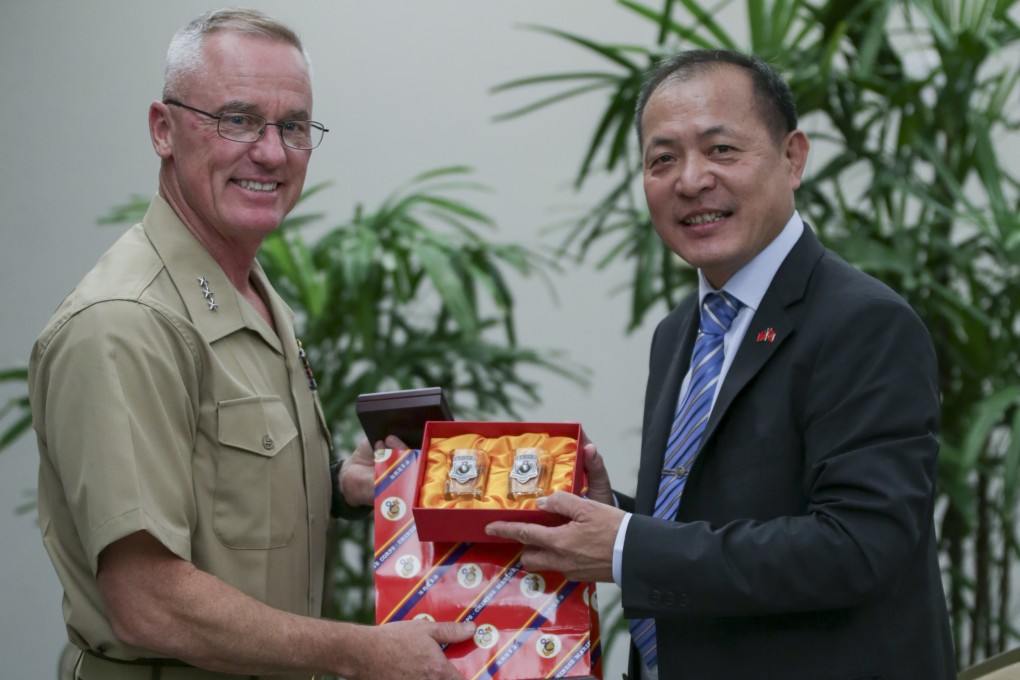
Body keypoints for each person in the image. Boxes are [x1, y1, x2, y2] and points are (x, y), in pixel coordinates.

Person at [27, 9, 472, 680]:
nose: (270, 151)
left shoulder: (251, 294)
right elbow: (148, 603)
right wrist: (362, 653)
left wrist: (340, 488)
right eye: (237, 119)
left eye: (293, 126)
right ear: (163, 129)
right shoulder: (127, 322)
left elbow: (222, 493)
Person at [486, 49, 956, 679]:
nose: (690, 180)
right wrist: (615, 517)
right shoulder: (680, 332)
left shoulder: (865, 323)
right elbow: (725, 520)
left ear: (793, 157)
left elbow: (857, 547)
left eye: (721, 150)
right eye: (662, 159)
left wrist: (628, 544)